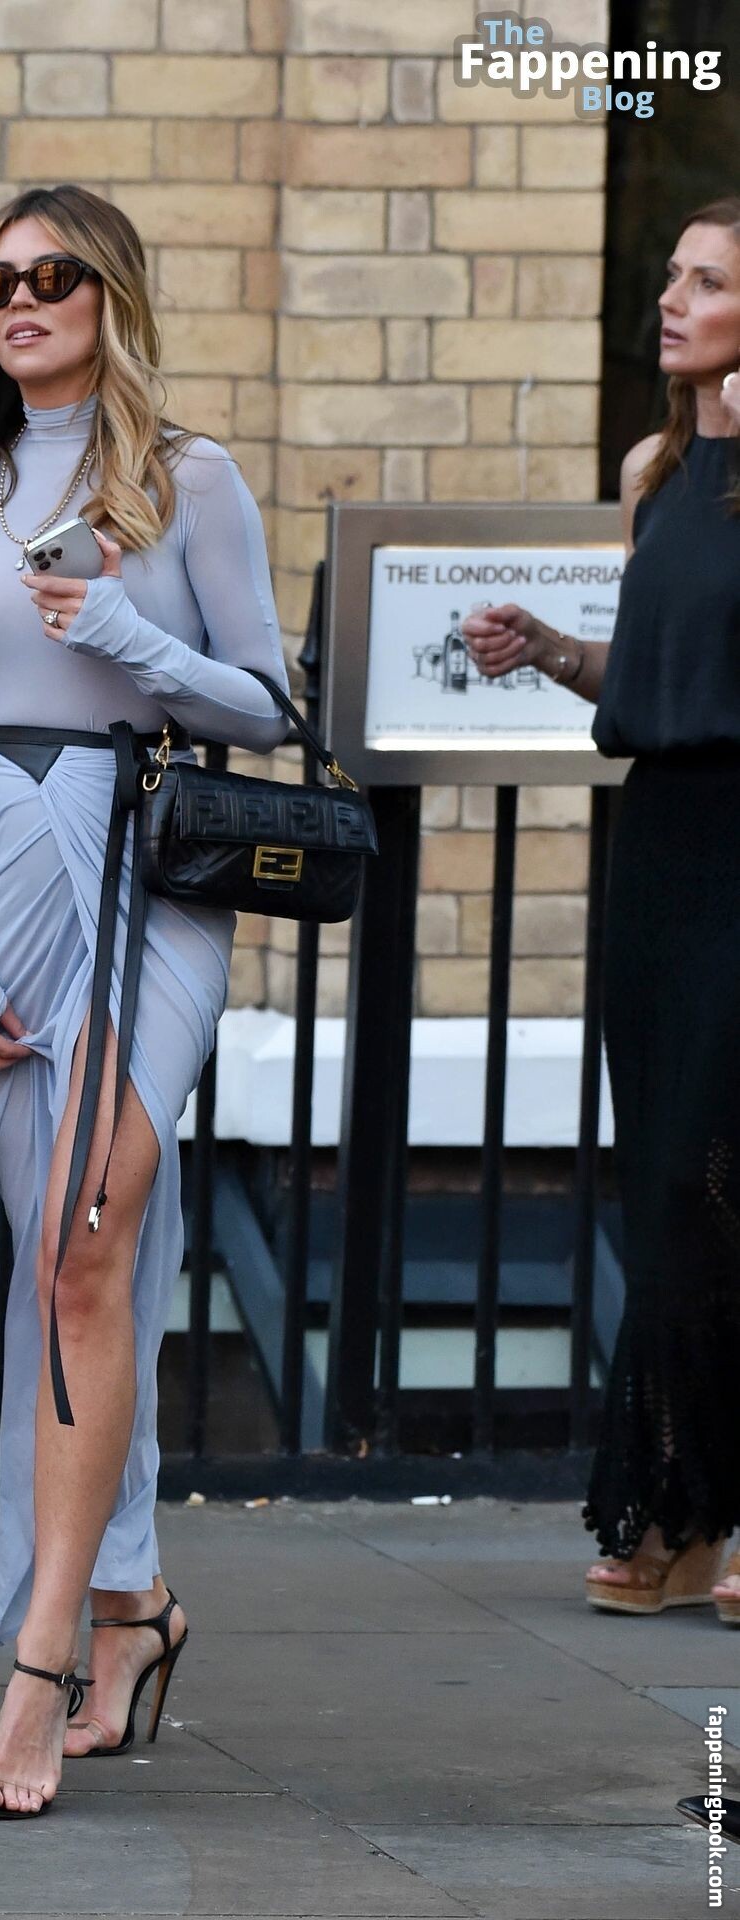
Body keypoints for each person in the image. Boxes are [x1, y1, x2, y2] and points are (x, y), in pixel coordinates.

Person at [0, 184, 290, 1818]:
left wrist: (131, 637)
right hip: (2, 872)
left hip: (148, 874)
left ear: (108, 295)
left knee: (82, 1248)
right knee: (69, 1271)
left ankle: (42, 1655)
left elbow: (265, 706)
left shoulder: (188, 481)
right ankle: (129, 1605)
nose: (18, 300)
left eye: (50, 275)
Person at [464, 196, 740, 1624]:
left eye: (707, 282)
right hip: (665, 847)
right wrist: (550, 652)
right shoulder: (656, 467)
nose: (671, 300)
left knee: (723, 1175)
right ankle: (683, 1515)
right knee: (664, 1187)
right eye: (673, 274)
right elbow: (654, 668)